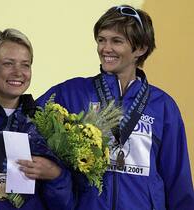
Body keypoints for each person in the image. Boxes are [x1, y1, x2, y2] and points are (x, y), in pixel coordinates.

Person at [37, 5, 194, 210]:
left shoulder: (163, 106)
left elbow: (177, 180)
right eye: (101, 40)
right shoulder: (72, 93)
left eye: (116, 41)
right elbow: (27, 125)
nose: (105, 48)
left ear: (140, 49)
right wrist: (58, 175)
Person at [0, 28, 74, 210]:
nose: (18, 72)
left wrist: (55, 175)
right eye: (8, 64)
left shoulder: (47, 126)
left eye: (25, 64)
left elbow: (65, 205)